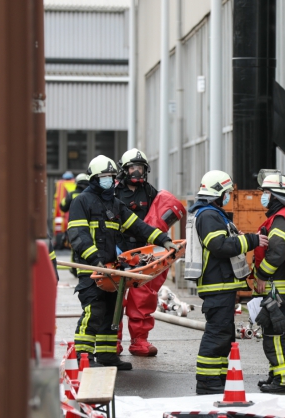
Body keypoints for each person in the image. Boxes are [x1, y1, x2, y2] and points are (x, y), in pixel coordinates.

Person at [67, 155, 177, 370]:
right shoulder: (82, 202)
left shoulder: (114, 204)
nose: (107, 180)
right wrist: (95, 260)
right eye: (103, 177)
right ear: (93, 179)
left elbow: (139, 227)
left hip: (111, 270)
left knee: (112, 311)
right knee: (94, 311)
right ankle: (83, 357)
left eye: (110, 176)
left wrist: (163, 240)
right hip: (92, 270)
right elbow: (78, 235)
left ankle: (107, 356)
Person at [185, 170, 268, 395]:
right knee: (216, 335)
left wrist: (236, 236)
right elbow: (219, 246)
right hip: (217, 286)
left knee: (223, 336)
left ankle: (217, 378)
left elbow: (221, 242)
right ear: (218, 193)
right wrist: (251, 239)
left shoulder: (211, 214)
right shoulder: (209, 215)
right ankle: (207, 383)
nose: (229, 196)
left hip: (221, 286)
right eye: (227, 192)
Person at [114, 148, 186, 357]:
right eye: (132, 168)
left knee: (143, 298)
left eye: (140, 168)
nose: (137, 172)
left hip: (144, 252)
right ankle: (112, 341)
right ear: (124, 170)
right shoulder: (115, 192)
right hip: (120, 250)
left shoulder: (149, 191)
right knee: (114, 299)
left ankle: (139, 341)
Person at [250, 171, 285, 393]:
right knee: (275, 334)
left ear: (274, 196)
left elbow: (277, 253)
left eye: (266, 193)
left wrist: (261, 275)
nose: (263, 196)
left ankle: (284, 381)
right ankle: (276, 376)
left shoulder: (280, 219)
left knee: (275, 335)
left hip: (278, 288)